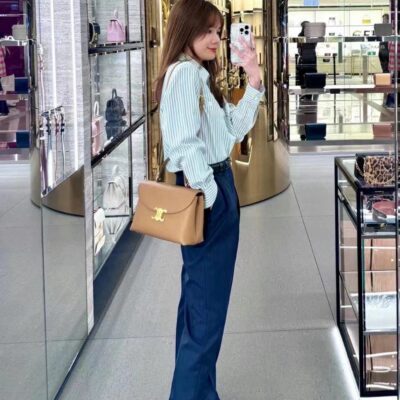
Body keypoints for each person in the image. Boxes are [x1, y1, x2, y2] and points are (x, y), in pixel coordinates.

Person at [155, 1, 264, 399]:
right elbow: (183, 145)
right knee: (205, 318)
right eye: (207, 31)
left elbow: (232, 129)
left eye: (219, 30)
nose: (216, 38)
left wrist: (253, 76)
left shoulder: (198, 75)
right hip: (208, 192)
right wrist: (212, 194)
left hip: (214, 185)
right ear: (186, 30)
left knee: (199, 310)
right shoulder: (185, 75)